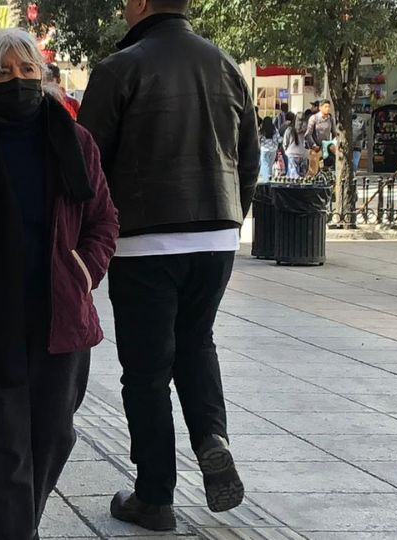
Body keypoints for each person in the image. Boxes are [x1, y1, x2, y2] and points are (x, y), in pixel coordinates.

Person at [79, 0, 258, 530]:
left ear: (138, 5)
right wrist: (230, 219)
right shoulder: (225, 64)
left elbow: (85, 161)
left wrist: (93, 238)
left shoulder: (120, 68)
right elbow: (249, 157)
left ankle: (154, 496)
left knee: (147, 371)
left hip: (144, 241)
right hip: (217, 235)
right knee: (197, 341)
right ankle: (211, 438)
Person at [0, 28, 118, 540]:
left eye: (27, 70)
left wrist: (82, 273)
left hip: (57, 319)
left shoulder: (75, 141)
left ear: (41, 76)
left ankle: (18, 529)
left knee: (52, 437)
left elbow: (104, 221)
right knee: (0, 448)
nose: (18, 80)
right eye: (3, 71)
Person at [284, 112, 310, 177]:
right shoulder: (307, 131)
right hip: (304, 154)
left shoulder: (289, 129)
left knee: (292, 178)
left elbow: (285, 143)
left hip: (292, 155)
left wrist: (285, 150)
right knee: (303, 177)